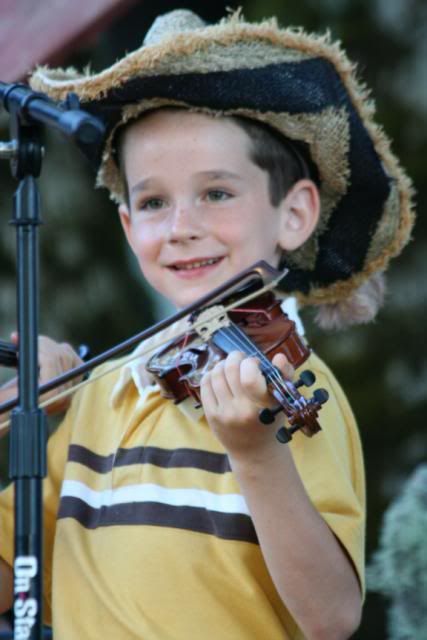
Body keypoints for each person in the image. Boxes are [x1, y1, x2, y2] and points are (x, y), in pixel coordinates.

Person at [0, 9, 414, 639]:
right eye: (153, 202)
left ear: (294, 214)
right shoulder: (100, 398)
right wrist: (22, 419)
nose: (181, 227)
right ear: (128, 225)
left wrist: (255, 454)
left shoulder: (284, 387)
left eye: (216, 193)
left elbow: (331, 617)